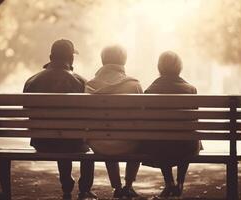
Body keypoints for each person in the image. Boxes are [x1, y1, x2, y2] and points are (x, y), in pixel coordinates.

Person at [23, 39, 97, 200]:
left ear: (50, 57)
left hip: (42, 142)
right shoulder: (82, 83)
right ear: (71, 59)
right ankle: (84, 188)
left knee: (59, 137)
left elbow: (27, 112)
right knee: (83, 139)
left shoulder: (31, 82)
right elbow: (91, 116)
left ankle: (66, 185)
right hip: (74, 143)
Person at [140, 51, 202, 198]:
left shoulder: (150, 90)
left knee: (160, 138)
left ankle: (169, 182)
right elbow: (193, 123)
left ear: (159, 67)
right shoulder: (191, 90)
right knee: (187, 136)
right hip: (186, 146)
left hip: (159, 147)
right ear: (179, 67)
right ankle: (180, 181)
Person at [85, 45, 143, 198]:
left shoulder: (89, 85)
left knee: (106, 136)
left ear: (103, 60)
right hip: (129, 144)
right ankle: (128, 185)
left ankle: (117, 186)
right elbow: (143, 118)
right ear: (124, 61)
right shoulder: (134, 85)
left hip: (98, 144)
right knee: (138, 135)